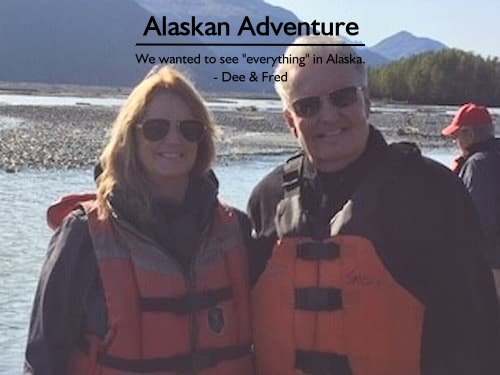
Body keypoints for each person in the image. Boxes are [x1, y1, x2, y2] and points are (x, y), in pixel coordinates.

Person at [247, 36, 500, 374]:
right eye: (308, 106)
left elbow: (479, 335)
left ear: (366, 101)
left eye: (342, 98)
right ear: (290, 121)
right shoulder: (267, 200)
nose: (328, 116)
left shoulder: (435, 192)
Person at [24, 66, 254, 374]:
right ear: (130, 136)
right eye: (156, 128)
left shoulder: (234, 230)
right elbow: (42, 360)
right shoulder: (83, 236)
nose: (174, 140)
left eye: (189, 129)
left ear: (203, 139)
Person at [442, 103, 500, 303]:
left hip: (491, 264)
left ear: (470, 135)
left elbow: (478, 221)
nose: (456, 141)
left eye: (457, 135)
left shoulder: (478, 165)